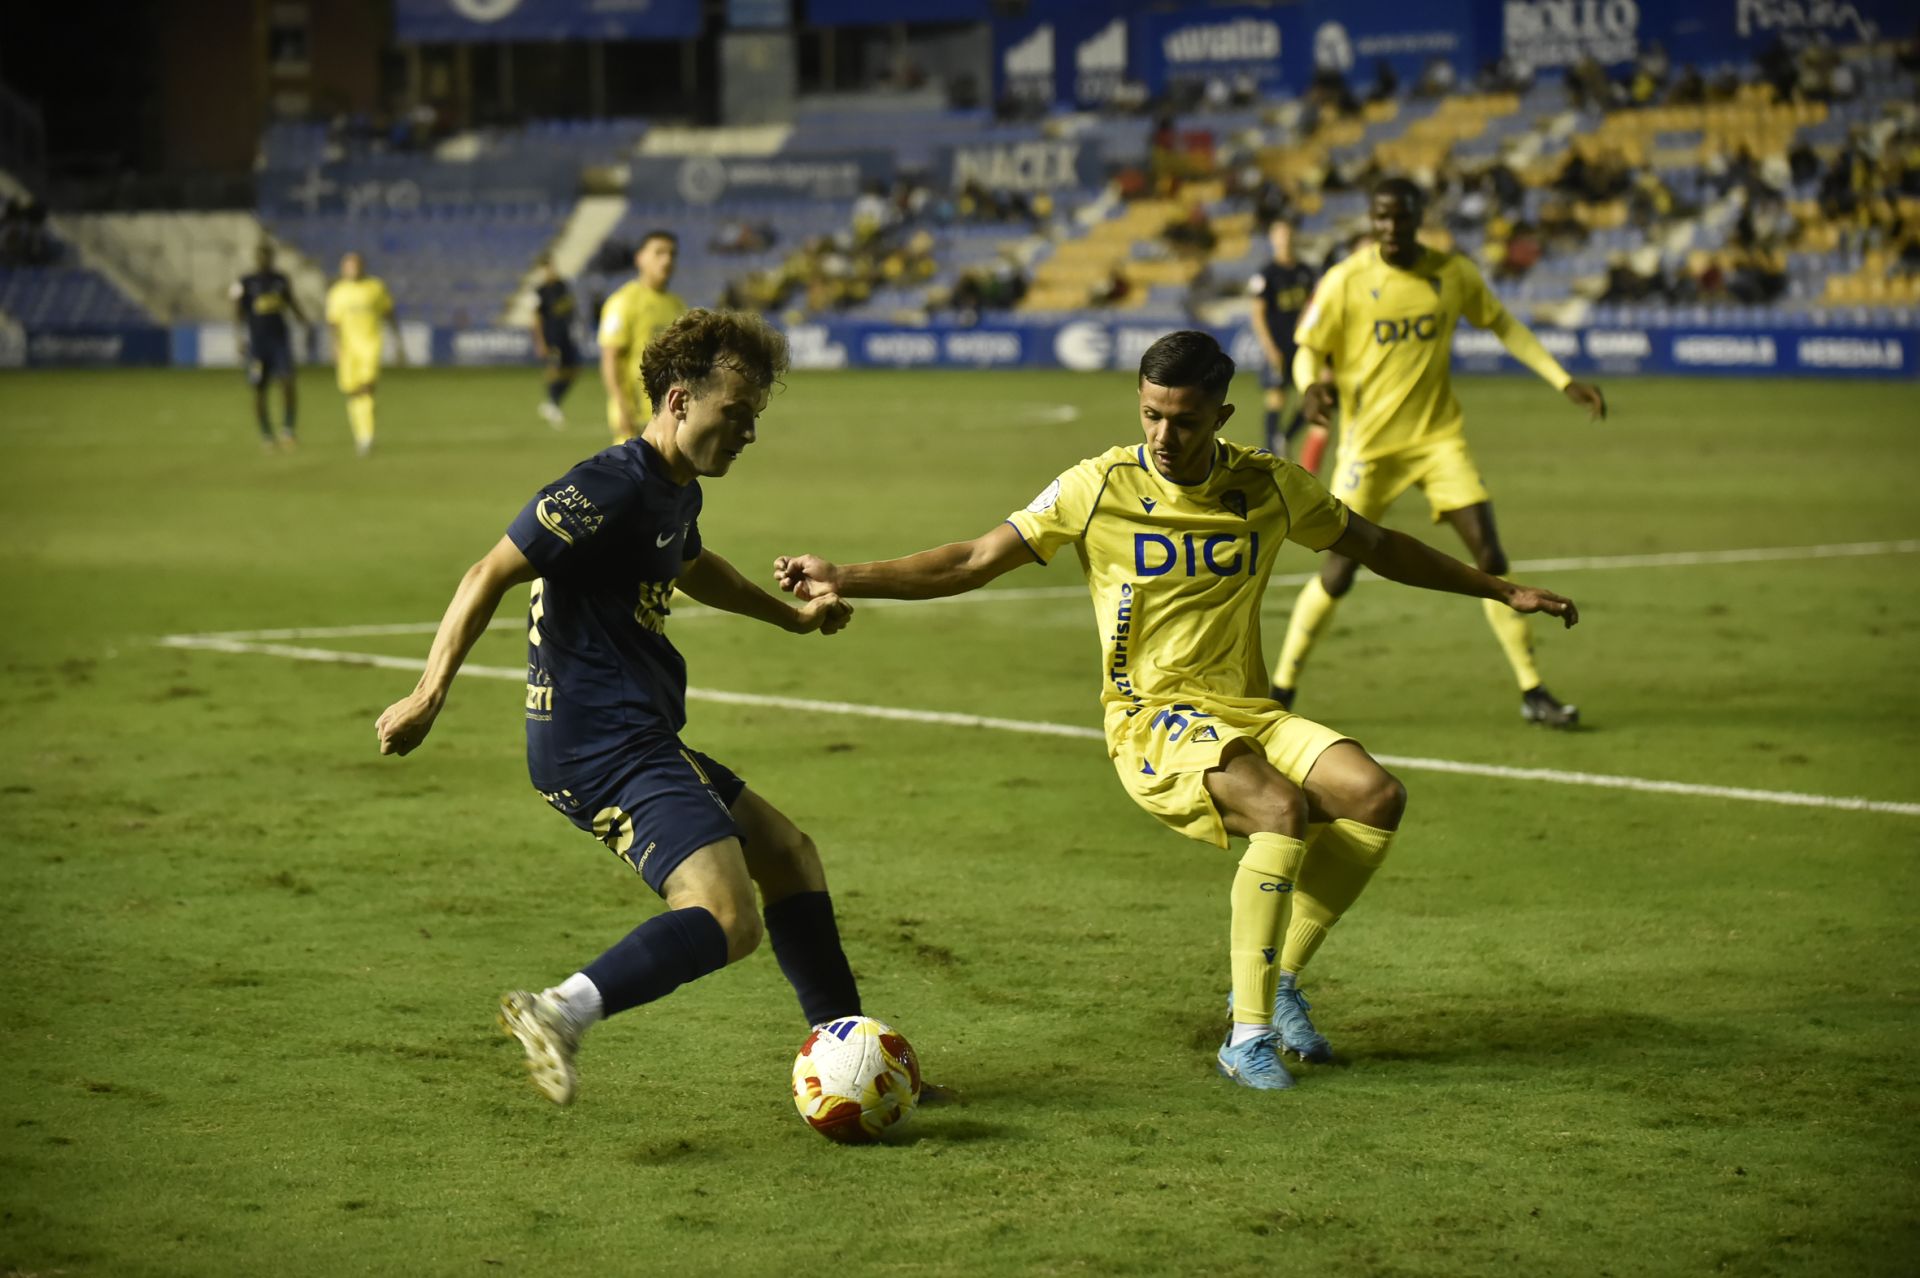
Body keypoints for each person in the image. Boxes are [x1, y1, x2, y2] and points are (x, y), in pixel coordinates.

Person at [773, 330, 1580, 1091]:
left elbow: (1376, 545)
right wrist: (846, 573)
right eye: (1150, 414)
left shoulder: (1265, 484)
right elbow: (974, 559)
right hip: (1151, 718)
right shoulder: (1098, 486)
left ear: (1222, 417)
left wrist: (1497, 586)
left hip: (1247, 710)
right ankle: (1247, 1037)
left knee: (1375, 795)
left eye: (1183, 421)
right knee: (1280, 807)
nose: (1163, 435)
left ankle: (1279, 980)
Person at [374, 310, 874, 1108]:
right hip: (601, 739)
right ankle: (559, 1012)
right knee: (726, 916)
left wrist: (795, 618)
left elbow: (693, 565)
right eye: (734, 414)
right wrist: (429, 695)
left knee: (788, 854)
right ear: (680, 401)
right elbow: (486, 572)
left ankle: (853, 1056)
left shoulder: (673, 492)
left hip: (633, 733)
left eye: (753, 418)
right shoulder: (609, 483)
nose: (746, 433)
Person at [1273, 178, 1607, 728]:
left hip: (1437, 442)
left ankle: (1533, 690)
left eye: (1399, 218)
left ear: (1416, 218)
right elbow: (1308, 348)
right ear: (1371, 219)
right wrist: (1310, 386)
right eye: (1380, 218)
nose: (1389, 228)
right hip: (1368, 449)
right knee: (1338, 574)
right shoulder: (1346, 280)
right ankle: (1282, 687)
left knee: (1491, 559)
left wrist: (1562, 380)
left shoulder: (1452, 273)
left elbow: (1503, 324)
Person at [1246, 218, 1327, 472]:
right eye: (1279, 235)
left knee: (1312, 395)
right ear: (1272, 239)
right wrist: (1270, 349)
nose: (1285, 240)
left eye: (1288, 234)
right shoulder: (1266, 274)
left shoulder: (1305, 271)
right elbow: (1257, 314)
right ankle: (1270, 453)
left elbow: (1313, 305)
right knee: (1276, 398)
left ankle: (1285, 437)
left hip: (1303, 347)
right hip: (1277, 346)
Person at [598, 231, 686, 446]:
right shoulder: (623, 302)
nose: (667, 259)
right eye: (659, 252)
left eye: (672, 254)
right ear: (640, 258)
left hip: (669, 417)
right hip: (635, 420)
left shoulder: (677, 306)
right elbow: (610, 358)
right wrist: (621, 406)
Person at [324, 252, 403, 458]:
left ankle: (366, 437)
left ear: (362, 266)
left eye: (355, 265)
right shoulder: (337, 292)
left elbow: (388, 313)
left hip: (370, 345)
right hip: (348, 349)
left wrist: (397, 341)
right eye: (348, 265)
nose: (352, 269)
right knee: (352, 391)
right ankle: (361, 433)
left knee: (366, 387)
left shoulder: (375, 287)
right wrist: (335, 345)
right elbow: (333, 323)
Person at [231, 243, 308, 452]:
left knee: (288, 382)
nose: (264, 259)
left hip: (280, 342)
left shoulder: (281, 280)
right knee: (259, 390)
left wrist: (304, 322)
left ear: (272, 257)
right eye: (260, 256)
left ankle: (288, 431)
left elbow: (292, 302)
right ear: (255, 258)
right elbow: (237, 311)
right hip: (258, 345)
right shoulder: (245, 282)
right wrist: (238, 337)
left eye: (267, 255)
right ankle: (266, 434)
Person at [530, 254, 580, 428]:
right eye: (547, 268)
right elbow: (536, 319)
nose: (550, 271)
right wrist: (540, 342)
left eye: (552, 267)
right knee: (554, 370)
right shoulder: (540, 291)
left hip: (566, 335)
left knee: (573, 370)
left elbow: (571, 310)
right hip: (551, 337)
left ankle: (552, 403)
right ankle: (553, 404)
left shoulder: (562, 286)